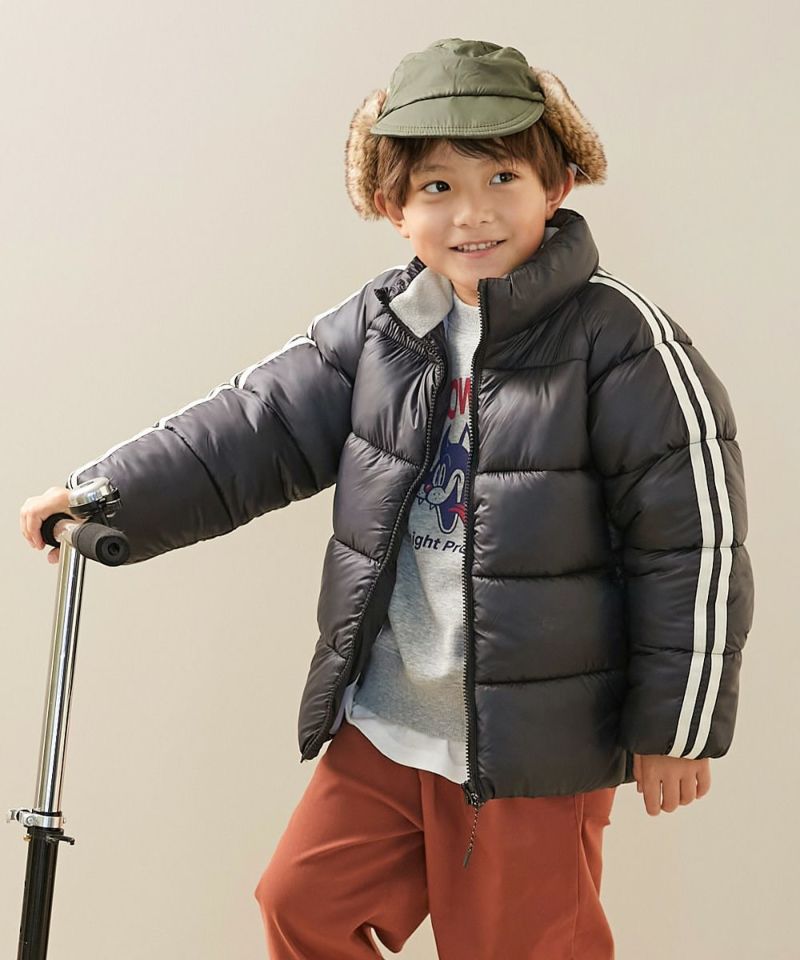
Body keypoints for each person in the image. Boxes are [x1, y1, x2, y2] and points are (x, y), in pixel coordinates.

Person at [20, 37, 755, 960]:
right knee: (302, 904)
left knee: (517, 948)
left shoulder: (621, 343)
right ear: (391, 206)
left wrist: (679, 722)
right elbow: (254, 425)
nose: (473, 212)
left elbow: (693, 539)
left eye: (502, 177)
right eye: (438, 186)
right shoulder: (385, 326)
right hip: (390, 719)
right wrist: (106, 494)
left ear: (558, 185)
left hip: (530, 742)